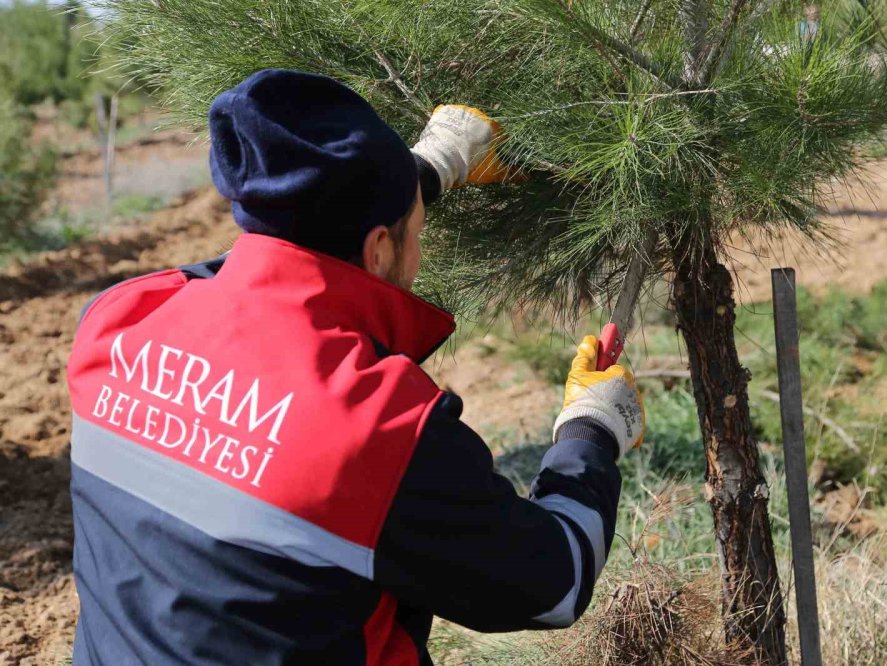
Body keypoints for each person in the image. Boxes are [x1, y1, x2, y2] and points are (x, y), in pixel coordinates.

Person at [66, 69, 644, 665]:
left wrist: (416, 174)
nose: (417, 254)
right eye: (415, 234)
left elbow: (265, 266)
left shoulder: (118, 322)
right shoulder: (377, 434)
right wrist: (590, 430)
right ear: (377, 248)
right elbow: (556, 582)